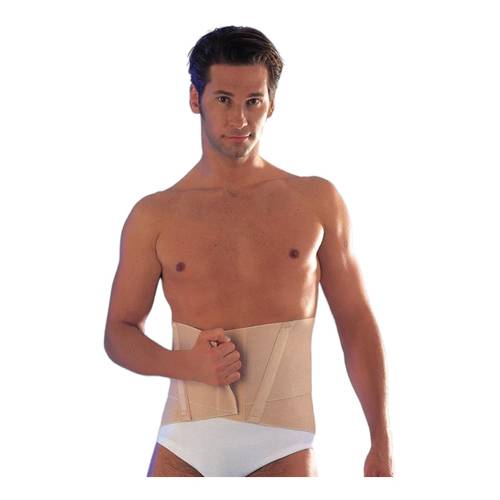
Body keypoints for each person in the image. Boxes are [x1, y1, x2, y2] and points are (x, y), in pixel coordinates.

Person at [104, 25, 393, 477]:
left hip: (285, 446)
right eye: (224, 99)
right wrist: (184, 364)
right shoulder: (154, 215)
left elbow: (355, 321)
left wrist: (381, 439)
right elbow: (118, 333)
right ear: (195, 98)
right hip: (184, 444)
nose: (239, 119)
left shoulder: (316, 202)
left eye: (253, 101)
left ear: (271, 103)